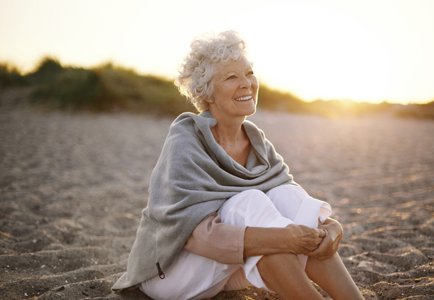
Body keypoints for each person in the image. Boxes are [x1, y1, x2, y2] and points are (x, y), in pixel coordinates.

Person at [112, 31, 363, 300]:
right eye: (232, 77)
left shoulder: (256, 141)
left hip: (224, 270)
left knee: (284, 194)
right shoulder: (186, 140)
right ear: (206, 91)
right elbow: (194, 237)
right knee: (250, 202)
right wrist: (284, 239)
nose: (247, 84)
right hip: (170, 272)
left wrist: (331, 227)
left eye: (249, 73)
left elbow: (294, 203)